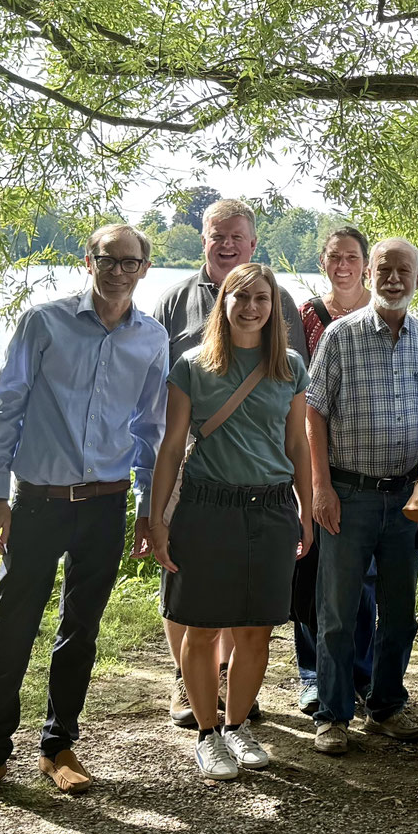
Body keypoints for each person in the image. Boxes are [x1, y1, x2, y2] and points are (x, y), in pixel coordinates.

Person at [0, 224, 166, 814]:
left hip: (105, 504)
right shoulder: (44, 322)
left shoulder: (152, 338)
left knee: (81, 628)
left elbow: (151, 430)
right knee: (12, 625)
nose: (118, 269)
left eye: (130, 261)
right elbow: (6, 405)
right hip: (38, 501)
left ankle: (58, 747)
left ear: (145, 267)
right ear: (87, 262)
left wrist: (147, 507)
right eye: (107, 259)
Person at [146, 264, 312, 780]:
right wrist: (156, 520)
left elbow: (297, 446)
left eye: (261, 298)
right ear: (223, 302)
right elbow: (172, 447)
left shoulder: (289, 367)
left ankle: (237, 727)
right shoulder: (192, 367)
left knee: (256, 630)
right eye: (240, 297)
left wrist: (307, 510)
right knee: (201, 627)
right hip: (206, 508)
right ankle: (206, 733)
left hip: (270, 510)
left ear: (273, 306)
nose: (251, 307)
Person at [305, 237, 418, 755]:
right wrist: (319, 488)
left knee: (399, 612)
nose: (393, 278)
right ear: (370, 274)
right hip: (349, 493)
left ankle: (385, 706)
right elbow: (314, 413)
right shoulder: (340, 335)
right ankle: (333, 713)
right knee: (337, 612)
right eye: (384, 268)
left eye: (404, 270)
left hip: (406, 497)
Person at [291, 222, 378, 718]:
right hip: (317, 459)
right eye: (334, 256)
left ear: (365, 264)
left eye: (352, 256)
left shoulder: (384, 311)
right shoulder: (309, 316)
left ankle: (361, 675)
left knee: (363, 579)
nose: (343, 265)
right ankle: (312, 675)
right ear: (323, 262)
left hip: (370, 465)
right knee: (314, 568)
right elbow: (300, 395)